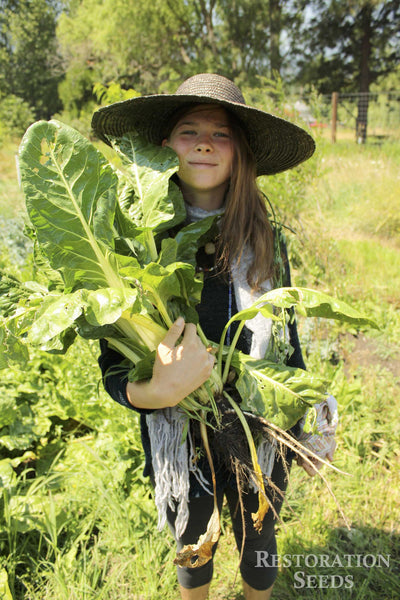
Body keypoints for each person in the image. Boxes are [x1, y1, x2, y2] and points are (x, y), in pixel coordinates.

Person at [91, 73, 337, 600]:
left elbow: (287, 335)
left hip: (259, 424)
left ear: (241, 152)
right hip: (180, 426)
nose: (204, 142)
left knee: (260, 531)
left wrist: (307, 406)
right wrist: (155, 393)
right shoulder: (137, 245)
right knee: (192, 536)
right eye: (188, 130)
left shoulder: (264, 237)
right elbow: (113, 364)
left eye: (221, 133)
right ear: (162, 149)